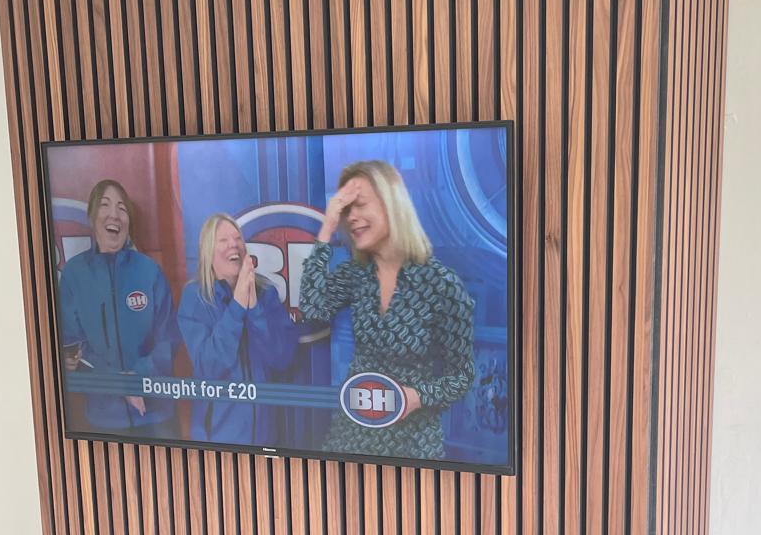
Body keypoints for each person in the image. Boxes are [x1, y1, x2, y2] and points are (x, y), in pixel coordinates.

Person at [299, 160, 475, 461]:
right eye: (346, 210)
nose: (351, 218)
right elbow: (312, 308)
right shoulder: (356, 274)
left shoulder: (441, 283)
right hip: (351, 437)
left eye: (360, 205)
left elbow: (462, 375)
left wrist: (418, 397)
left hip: (412, 446)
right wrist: (327, 228)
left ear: (392, 204)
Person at [58, 178, 180, 435]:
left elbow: (168, 341)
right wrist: (120, 386)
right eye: (105, 205)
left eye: (121, 208)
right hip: (105, 418)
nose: (114, 214)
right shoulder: (74, 275)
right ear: (92, 217)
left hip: (157, 416)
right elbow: (73, 350)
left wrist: (137, 380)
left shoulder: (150, 272)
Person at [178, 213, 301, 446]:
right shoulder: (195, 297)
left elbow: (282, 358)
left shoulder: (266, 293)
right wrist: (237, 306)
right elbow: (209, 367)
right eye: (223, 240)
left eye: (237, 239)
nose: (233, 244)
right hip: (217, 440)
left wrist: (253, 309)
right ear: (208, 252)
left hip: (265, 438)